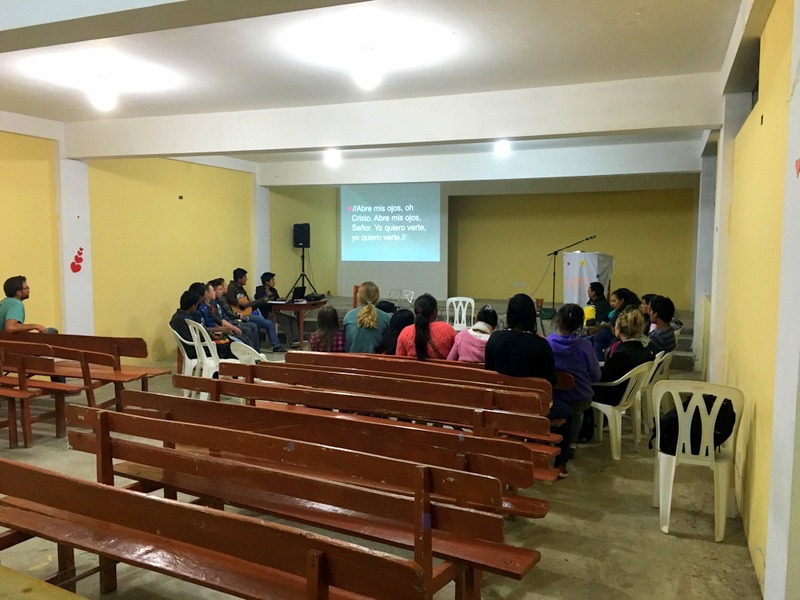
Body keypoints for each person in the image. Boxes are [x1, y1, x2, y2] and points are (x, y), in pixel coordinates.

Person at [484, 293, 572, 478]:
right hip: (533, 408)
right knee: (568, 413)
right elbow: (550, 381)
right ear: (532, 316)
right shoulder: (541, 345)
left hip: (501, 403)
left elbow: (489, 372)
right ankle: (561, 463)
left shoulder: (495, 338)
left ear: (509, 314)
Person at [546, 303, 601, 456]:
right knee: (576, 411)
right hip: (579, 396)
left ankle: (553, 437)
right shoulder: (585, 346)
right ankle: (571, 443)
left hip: (554, 397)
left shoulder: (547, 343)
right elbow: (596, 375)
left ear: (557, 320)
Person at [592, 309, 655, 406]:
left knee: (580, 386)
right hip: (629, 390)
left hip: (614, 394)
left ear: (618, 329)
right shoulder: (643, 346)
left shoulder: (623, 354)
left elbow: (605, 375)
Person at [226, 268, 285, 352]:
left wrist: (260, 301)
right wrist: (238, 302)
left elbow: (248, 306)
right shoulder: (231, 287)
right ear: (239, 279)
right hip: (238, 315)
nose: (246, 279)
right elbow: (228, 299)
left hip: (246, 313)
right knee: (259, 319)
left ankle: (276, 346)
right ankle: (256, 350)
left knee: (269, 323)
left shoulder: (242, 289)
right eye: (245, 277)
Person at [396, 293, 456, 360]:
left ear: (416, 312)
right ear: (435, 312)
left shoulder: (405, 333)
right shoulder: (447, 330)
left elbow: (399, 361)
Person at [210, 278, 261, 350]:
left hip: (229, 322)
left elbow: (224, 316)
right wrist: (235, 320)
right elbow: (222, 318)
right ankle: (253, 353)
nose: (227, 287)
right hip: (226, 324)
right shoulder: (216, 303)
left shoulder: (220, 300)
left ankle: (255, 352)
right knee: (248, 330)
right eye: (220, 289)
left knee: (253, 326)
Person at [255, 272, 301, 348]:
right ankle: (291, 342)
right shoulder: (260, 290)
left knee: (293, 319)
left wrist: (282, 300)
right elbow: (262, 303)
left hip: (276, 312)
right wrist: (268, 296)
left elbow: (276, 300)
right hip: (267, 313)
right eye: (272, 280)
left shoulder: (273, 290)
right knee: (285, 320)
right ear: (267, 282)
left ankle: (296, 339)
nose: (274, 282)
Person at [343, 281, 391, 353]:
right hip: (376, 359)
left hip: (352, 358)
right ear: (377, 297)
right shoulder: (386, 318)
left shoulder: (349, 316)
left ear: (359, 296)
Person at [169, 289, 203, 360]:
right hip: (195, 351)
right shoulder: (187, 321)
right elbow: (200, 336)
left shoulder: (176, 316)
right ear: (193, 306)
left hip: (189, 349)